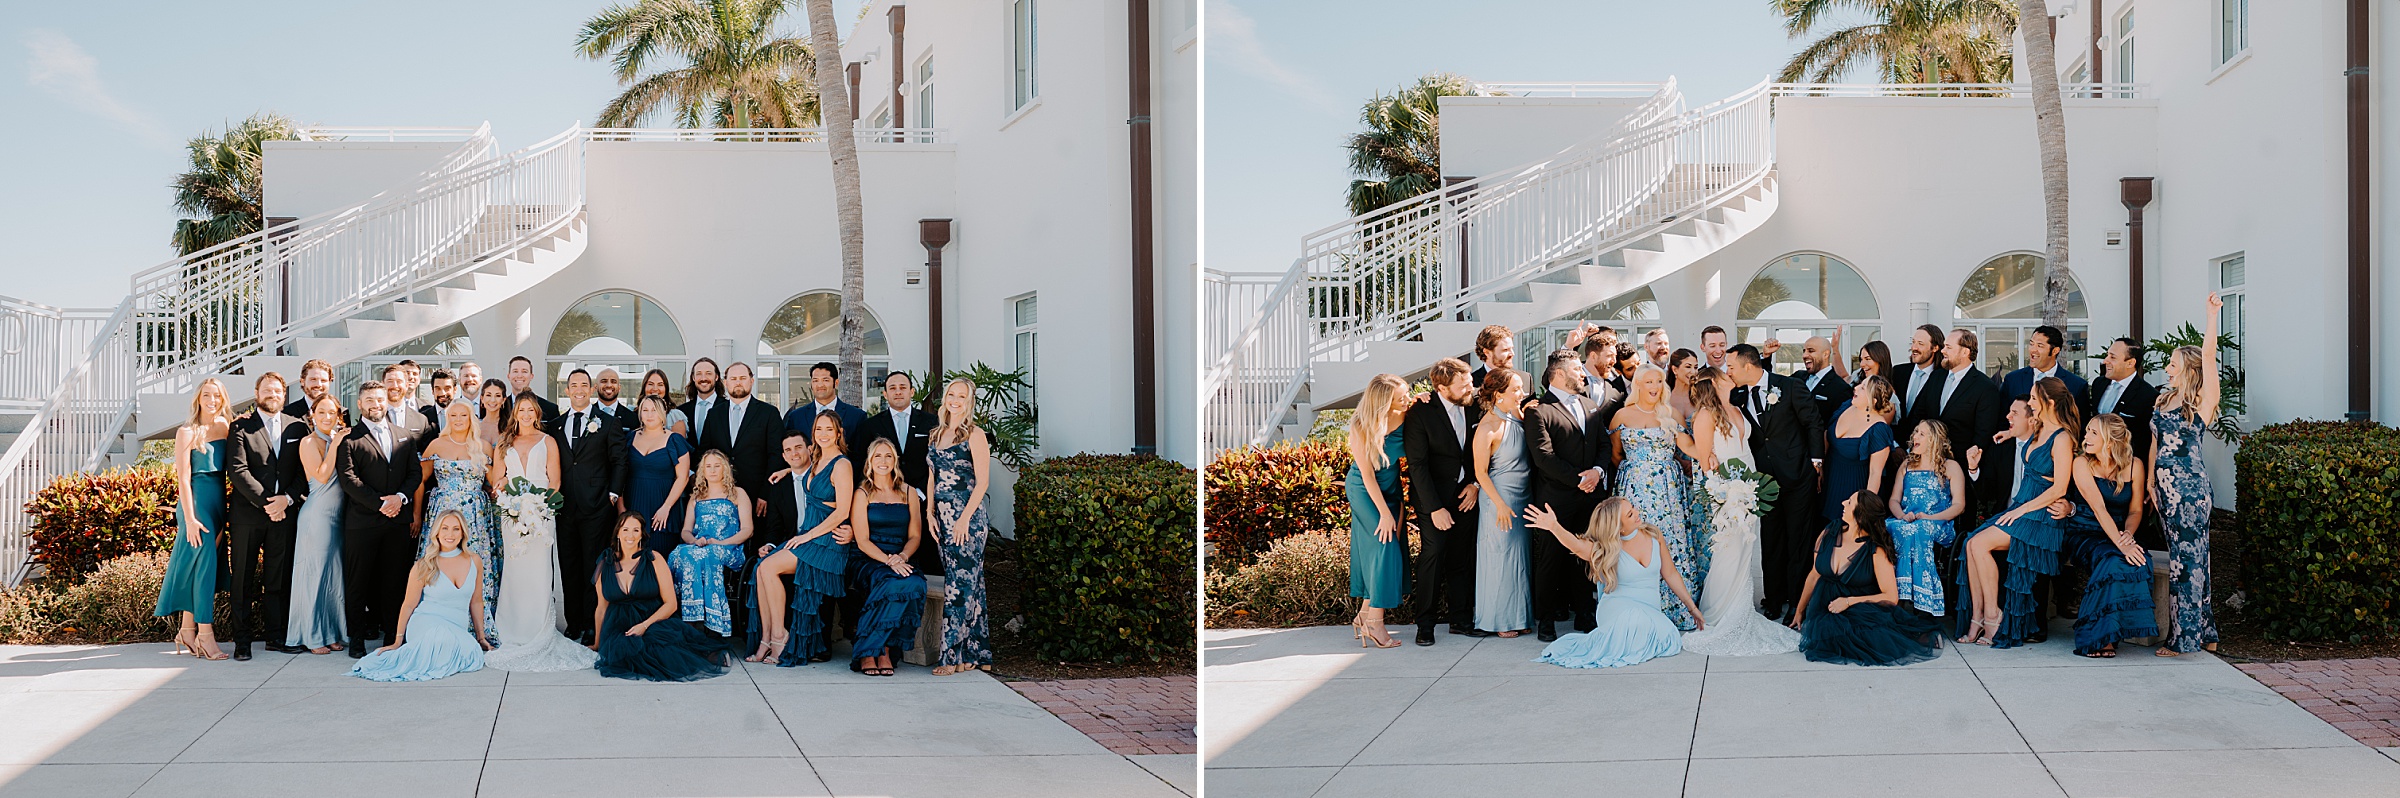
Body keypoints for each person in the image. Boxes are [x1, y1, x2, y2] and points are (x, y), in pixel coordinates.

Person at [1674, 374, 1801, 657]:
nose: (1732, 375)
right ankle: (1721, 614)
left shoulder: (1735, 408)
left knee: (1746, 549)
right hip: (1728, 489)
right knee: (1729, 549)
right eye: (1726, 373)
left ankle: (1742, 610)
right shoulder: (1706, 414)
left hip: (1749, 484)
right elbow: (1704, 456)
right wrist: (1681, 441)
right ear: (1715, 381)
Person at [1961, 378, 2083, 648]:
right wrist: (2008, 434)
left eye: (2034, 398)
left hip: (2041, 516)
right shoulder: (2038, 430)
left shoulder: (2062, 438)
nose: (2030, 403)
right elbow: (2025, 434)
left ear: (2049, 403)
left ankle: (1994, 615)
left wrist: (2021, 510)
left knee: (1980, 544)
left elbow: (2060, 487)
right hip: (2023, 508)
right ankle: (1978, 617)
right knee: (1971, 543)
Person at [482, 392, 599, 672]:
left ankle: (539, 628)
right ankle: (512, 628)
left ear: (536, 414)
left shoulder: (548, 442)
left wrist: (537, 506)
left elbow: (555, 481)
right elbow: (496, 481)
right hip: (511, 514)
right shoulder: (504, 443)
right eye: (520, 410)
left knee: (539, 572)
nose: (525, 415)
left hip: (541, 514)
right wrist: (507, 492)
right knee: (514, 570)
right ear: (514, 414)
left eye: (530, 410)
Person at [1526, 497, 1701, 668]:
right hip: (1617, 608)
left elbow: (1670, 574)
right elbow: (1578, 546)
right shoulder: (1606, 548)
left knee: (1669, 637)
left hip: (1650, 609)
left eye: (1633, 508)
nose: (1637, 513)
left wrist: (1692, 608)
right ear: (1619, 527)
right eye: (1630, 514)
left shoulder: (1653, 535)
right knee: (1635, 620)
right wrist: (1554, 527)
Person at [1724, 344, 1825, 621]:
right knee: (1771, 541)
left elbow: (1813, 424)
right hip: (1764, 480)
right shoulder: (1738, 395)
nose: (1728, 371)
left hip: (1797, 475)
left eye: (1731, 366)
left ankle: (1797, 601)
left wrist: (1816, 464)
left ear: (1748, 366)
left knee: (1798, 541)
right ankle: (1774, 598)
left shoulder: (1789, 386)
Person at [1521, 350, 1615, 641]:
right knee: (1551, 559)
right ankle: (1546, 621)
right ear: (1559, 374)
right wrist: (1580, 479)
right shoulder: (1538, 411)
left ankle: (1585, 614)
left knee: (1587, 557)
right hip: (1556, 499)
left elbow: (1603, 445)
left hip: (1590, 497)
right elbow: (1544, 458)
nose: (1583, 374)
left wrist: (1597, 472)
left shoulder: (1590, 406)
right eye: (1577, 369)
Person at [1792, 490, 1945, 666]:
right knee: (1828, 635)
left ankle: (1918, 637)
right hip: (1825, 607)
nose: (1842, 503)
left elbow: (1891, 597)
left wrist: (1849, 602)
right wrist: (1800, 610)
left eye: (1849, 503)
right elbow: (1814, 574)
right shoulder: (1829, 532)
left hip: (1858, 606)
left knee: (1871, 639)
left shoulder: (1875, 548)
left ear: (1861, 514)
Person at [751, 412, 852, 665]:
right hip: (809, 537)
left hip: (826, 541)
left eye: (829, 429)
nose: (824, 434)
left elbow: (842, 510)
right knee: (761, 569)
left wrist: (808, 535)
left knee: (769, 567)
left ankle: (779, 635)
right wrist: (787, 470)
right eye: (819, 429)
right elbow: (804, 470)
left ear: (838, 433)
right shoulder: (816, 460)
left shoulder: (842, 464)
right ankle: (767, 637)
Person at [2154, 296, 2222, 657]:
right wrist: (2151, 484)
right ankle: (2207, 631)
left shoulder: (2201, 401)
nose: (2167, 367)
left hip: (2190, 490)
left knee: (2187, 563)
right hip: (2164, 492)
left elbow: (2209, 356)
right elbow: (2155, 443)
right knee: (2194, 559)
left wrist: (2211, 317)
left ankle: (2185, 639)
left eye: (2172, 362)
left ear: (2188, 368)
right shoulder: (2163, 400)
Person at [2059, 414, 2160, 657]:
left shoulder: (2135, 465)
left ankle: (2109, 633)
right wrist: (2122, 545)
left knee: (2138, 560)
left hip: (2119, 531)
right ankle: (2097, 638)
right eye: (2087, 431)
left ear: (2110, 439)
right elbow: (2098, 508)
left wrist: (2127, 537)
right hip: (2085, 531)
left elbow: (2136, 510)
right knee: (2113, 560)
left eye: (2093, 432)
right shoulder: (2081, 463)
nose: (2086, 437)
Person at [336, 380, 423, 657]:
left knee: (394, 581)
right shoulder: (349, 439)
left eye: (380, 399)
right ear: (360, 404)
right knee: (358, 582)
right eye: (370, 400)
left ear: (388, 401)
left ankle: (392, 635)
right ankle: (357, 639)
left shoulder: (404, 435)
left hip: (397, 522)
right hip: (362, 522)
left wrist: (400, 498)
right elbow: (349, 480)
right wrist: (379, 504)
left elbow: (415, 475)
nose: (376, 404)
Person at [1612, 366, 1704, 631]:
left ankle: (1677, 610)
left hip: (1668, 491)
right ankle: (1638, 611)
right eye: (1648, 381)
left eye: (1658, 381)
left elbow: (1687, 448)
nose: (1654, 385)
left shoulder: (1671, 413)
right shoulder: (1622, 415)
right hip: (1633, 491)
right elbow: (1616, 454)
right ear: (1637, 384)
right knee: (1636, 542)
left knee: (1670, 542)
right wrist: (1636, 474)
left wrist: (1711, 456)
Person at [349, 511, 490, 682]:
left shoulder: (474, 561)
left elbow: (476, 602)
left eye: (456, 529)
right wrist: (397, 641)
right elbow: (408, 605)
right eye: (444, 528)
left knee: (472, 653)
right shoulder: (424, 564)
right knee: (442, 639)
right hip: (426, 622)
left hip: (456, 627)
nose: (450, 534)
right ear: (437, 532)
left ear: (463, 533)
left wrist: (480, 636)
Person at [225, 372, 309, 659]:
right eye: (267, 390)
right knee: (243, 580)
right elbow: (238, 471)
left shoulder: (297, 427)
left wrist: (285, 500)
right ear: (257, 393)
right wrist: (267, 503)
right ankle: (242, 642)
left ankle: (276, 637)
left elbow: (302, 473)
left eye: (277, 391)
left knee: (278, 579)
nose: (272, 395)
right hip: (248, 516)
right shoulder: (241, 427)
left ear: (284, 394)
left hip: (284, 514)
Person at [593, 512, 730, 681]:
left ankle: (707, 654)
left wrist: (644, 626)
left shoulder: (654, 559)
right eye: (625, 529)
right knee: (625, 652)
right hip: (618, 626)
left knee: (660, 650)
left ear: (642, 534)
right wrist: (598, 643)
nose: (630, 535)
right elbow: (601, 607)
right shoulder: (605, 562)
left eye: (636, 530)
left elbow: (670, 604)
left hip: (651, 619)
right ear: (618, 533)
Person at [1403, 358, 1482, 644]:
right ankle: (1425, 625)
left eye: (1470, 382)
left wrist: (1474, 484)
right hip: (1432, 499)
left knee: (1462, 558)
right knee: (1433, 556)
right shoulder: (1420, 413)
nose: (1470, 388)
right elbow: (1418, 465)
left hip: (1466, 494)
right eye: (1463, 384)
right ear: (1441, 387)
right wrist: (1435, 508)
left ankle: (1461, 620)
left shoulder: (1473, 405)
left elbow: (1479, 451)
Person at [155, 379, 233, 661]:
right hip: (196, 504)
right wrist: (189, 519)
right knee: (204, 569)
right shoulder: (186, 432)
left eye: (217, 396)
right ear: (199, 398)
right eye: (207, 395)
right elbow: (183, 479)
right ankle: (206, 636)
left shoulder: (224, 426)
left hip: (217, 503)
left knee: (203, 570)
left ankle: (186, 631)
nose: (212, 400)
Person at [550, 369, 627, 642]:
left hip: (596, 507)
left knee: (592, 568)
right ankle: (572, 624)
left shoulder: (607, 422)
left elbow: (619, 460)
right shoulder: (555, 425)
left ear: (591, 389)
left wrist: (613, 493)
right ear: (567, 390)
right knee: (568, 566)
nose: (579, 390)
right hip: (563, 508)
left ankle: (591, 623)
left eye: (584, 385)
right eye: (574, 385)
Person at [417, 400, 502, 638]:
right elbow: (420, 481)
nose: (457, 420)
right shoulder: (436, 444)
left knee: (474, 565)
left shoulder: (483, 447)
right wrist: (416, 515)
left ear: (471, 418)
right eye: (453, 415)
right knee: (441, 564)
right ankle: (440, 622)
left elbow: (495, 484)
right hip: (442, 514)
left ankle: (478, 627)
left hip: (474, 515)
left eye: (462, 415)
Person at [928, 378, 996, 674]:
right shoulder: (936, 434)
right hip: (941, 518)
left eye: (962, 396)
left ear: (969, 402)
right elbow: (932, 477)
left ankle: (951, 656)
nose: (956, 400)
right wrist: (929, 512)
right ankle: (977, 653)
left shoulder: (975, 434)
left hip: (967, 520)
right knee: (972, 584)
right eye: (952, 395)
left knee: (958, 585)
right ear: (945, 398)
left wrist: (964, 518)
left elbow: (983, 482)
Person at [1905, 330, 2006, 526]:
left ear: (1965, 352)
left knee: (1959, 524)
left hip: (1960, 469)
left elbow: (1983, 433)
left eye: (1949, 347)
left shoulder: (1985, 388)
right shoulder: (1936, 377)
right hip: (1925, 466)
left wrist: (1965, 466)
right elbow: (1919, 414)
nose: (1943, 351)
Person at [848, 438, 928, 676]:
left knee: (913, 582)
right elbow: (862, 540)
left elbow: (915, 535)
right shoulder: (862, 492)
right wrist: (888, 560)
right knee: (889, 581)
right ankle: (872, 652)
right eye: (878, 457)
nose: (883, 462)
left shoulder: (909, 492)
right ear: (870, 462)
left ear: (895, 461)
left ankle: (881, 648)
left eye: (888, 456)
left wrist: (901, 557)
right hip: (869, 557)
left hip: (901, 557)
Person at [1345, 375, 1411, 650]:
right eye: (1401, 398)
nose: (1407, 399)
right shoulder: (1360, 427)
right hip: (1364, 490)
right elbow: (1368, 477)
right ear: (1384, 404)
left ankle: (1363, 615)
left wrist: (1417, 400)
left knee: (1386, 548)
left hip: (1391, 487)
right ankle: (1375, 622)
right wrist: (1384, 513)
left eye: (1408, 393)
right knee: (1384, 545)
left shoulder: (1408, 413)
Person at [852, 372, 939, 574]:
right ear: (884, 394)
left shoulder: (931, 423)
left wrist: (923, 493)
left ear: (912, 391)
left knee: (928, 561)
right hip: (885, 507)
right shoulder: (870, 426)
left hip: (925, 501)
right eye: (892, 388)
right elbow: (860, 464)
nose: (897, 392)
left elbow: (938, 463)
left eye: (902, 387)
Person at [1468, 368, 1533, 638]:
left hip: (1523, 495)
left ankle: (1519, 616)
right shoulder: (1487, 427)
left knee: (1520, 559)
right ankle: (1498, 620)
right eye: (1516, 390)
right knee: (1500, 558)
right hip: (1500, 498)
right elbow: (1480, 472)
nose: (1522, 393)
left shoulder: (1519, 415)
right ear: (1498, 395)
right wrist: (1500, 505)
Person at [287, 395, 349, 654]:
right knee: (314, 577)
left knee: (333, 577)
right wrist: (335, 443)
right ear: (312, 415)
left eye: (331, 412)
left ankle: (331, 631)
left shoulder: (340, 440)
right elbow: (322, 476)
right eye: (321, 412)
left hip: (339, 517)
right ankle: (312, 636)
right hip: (318, 516)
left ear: (338, 415)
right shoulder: (309, 442)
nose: (326, 417)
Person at [670, 448, 751, 639]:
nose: (713, 470)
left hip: (729, 548)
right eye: (708, 466)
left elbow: (748, 530)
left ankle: (714, 626)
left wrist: (721, 542)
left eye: (717, 466)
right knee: (679, 554)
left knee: (708, 555)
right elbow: (685, 531)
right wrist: (695, 541)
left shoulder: (737, 494)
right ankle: (688, 617)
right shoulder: (696, 497)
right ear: (702, 471)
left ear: (725, 469)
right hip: (700, 546)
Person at [1885, 421, 1965, 615]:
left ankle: (1923, 605)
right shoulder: (1907, 465)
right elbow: (1894, 500)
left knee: (1920, 529)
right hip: (1906, 520)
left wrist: (1930, 516)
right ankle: (1898, 594)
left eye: (1921, 434)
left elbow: (1959, 505)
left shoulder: (1951, 466)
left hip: (1937, 523)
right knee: (1896, 528)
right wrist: (1902, 515)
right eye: (1915, 433)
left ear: (1934, 439)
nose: (1915, 438)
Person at [709, 362, 783, 523]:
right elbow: (706, 451)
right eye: (733, 378)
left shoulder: (768, 413)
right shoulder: (714, 414)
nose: (738, 382)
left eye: (743, 378)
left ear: (752, 381)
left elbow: (776, 455)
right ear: (725, 382)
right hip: (720, 492)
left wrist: (766, 493)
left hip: (757, 494)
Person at [624, 395, 694, 554]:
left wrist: (666, 507)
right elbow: (621, 473)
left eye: (654, 410)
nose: (649, 415)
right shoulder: (630, 438)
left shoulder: (674, 440)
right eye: (645, 410)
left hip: (663, 507)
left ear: (662, 413)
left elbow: (682, 477)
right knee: (634, 557)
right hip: (634, 504)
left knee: (660, 556)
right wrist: (622, 509)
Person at [1821, 376, 1896, 523]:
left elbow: (1875, 473)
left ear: (1872, 401)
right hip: (1830, 484)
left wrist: (1864, 509)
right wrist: (1820, 467)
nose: (1856, 388)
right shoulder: (1847, 406)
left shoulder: (1879, 429)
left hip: (1853, 491)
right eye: (1859, 384)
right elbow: (1826, 434)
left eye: (1863, 388)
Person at [2089, 337, 2160, 460]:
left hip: (2126, 465)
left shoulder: (2148, 395)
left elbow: (2146, 440)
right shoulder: (2098, 384)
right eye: (2107, 355)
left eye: (2113, 357)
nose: (2105, 361)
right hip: (2094, 462)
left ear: (2130, 363)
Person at [786, 362, 868, 446]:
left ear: (836, 383)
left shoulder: (856, 416)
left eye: (825, 380)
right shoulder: (796, 417)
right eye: (815, 380)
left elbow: (860, 453)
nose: (820, 385)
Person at [2002, 326, 2089, 401]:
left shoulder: (2077, 385)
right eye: (2031, 344)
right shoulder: (2012, 380)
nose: (2033, 350)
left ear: (2055, 351)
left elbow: (2079, 419)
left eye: (2040, 346)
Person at [1800, 336, 1854, 432]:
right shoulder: (1797, 377)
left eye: (1811, 351)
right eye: (1804, 351)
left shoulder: (1840, 388)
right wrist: (1765, 358)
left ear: (1826, 354)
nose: (1804, 355)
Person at [380, 363, 437, 449]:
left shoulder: (421, 420)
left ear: (406, 385)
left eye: (399, 381)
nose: (395, 386)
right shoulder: (372, 416)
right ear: (383, 384)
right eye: (390, 381)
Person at [283, 359, 348, 425]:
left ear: (329, 382)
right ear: (302, 381)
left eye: (323, 380)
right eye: (313, 379)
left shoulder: (342, 413)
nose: (318, 384)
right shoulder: (286, 413)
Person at [505, 356, 560, 421]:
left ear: (531, 376)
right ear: (509, 376)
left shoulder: (550, 409)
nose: (519, 376)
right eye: (515, 371)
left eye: (524, 371)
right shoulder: (500, 407)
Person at [640, 368, 691, 438]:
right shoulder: (633, 414)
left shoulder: (674, 416)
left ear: (666, 388)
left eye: (660, 385)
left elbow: (679, 446)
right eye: (650, 384)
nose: (655, 388)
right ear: (644, 387)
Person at [1666, 349, 1700, 422]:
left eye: (1696, 367)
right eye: (1688, 367)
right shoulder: (1663, 397)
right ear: (1675, 369)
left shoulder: (1701, 396)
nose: (1693, 372)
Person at [473, 379, 511, 444]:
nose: (493, 400)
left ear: (503, 400)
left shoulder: (510, 426)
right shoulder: (474, 426)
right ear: (482, 398)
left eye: (497, 396)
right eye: (488, 395)